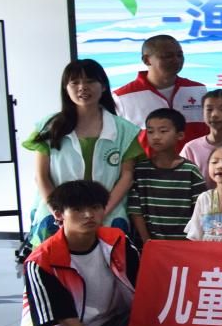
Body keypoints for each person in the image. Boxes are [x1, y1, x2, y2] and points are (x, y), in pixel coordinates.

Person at [24, 59, 143, 245]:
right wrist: (58, 211)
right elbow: (41, 176)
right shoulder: (48, 127)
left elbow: (126, 177)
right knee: (53, 254)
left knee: (111, 253)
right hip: (57, 211)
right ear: (66, 88)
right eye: (75, 82)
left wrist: (102, 211)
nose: (82, 87)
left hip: (108, 210)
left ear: (103, 86)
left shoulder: (125, 130)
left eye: (90, 81)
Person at [21, 180, 140, 326]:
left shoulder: (118, 241)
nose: (89, 215)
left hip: (113, 322)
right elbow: (68, 324)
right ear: (58, 214)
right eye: (77, 209)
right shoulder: (41, 262)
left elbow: (141, 287)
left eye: (95, 207)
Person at [112, 34, 208, 150]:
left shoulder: (198, 89)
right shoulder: (122, 97)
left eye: (179, 55)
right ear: (147, 60)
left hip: (195, 161)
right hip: (146, 162)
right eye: (168, 56)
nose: (176, 60)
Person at [129, 108, 206, 243]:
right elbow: (135, 210)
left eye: (163, 131)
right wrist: (147, 241)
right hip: (148, 244)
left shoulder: (190, 171)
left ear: (180, 135)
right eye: (150, 131)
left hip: (184, 244)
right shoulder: (140, 170)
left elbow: (200, 211)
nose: (156, 136)